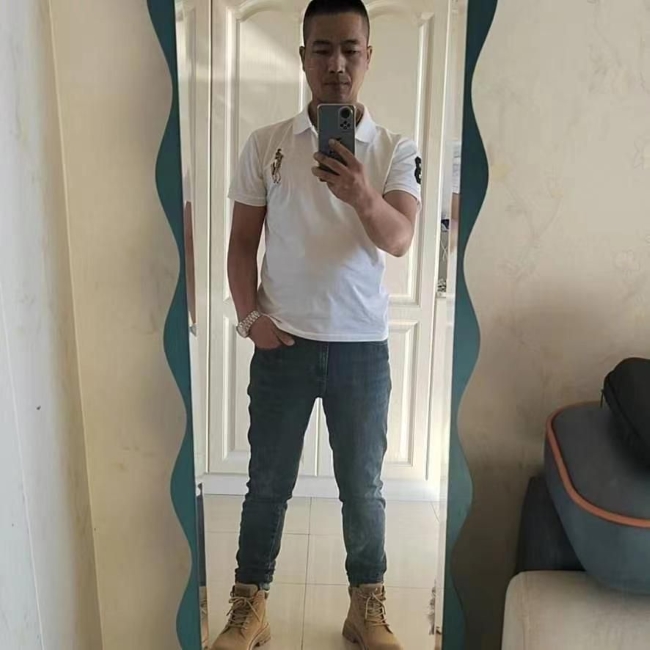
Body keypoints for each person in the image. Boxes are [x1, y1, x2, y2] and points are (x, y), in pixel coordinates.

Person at [211, 1, 421, 648]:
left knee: (363, 488)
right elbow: (241, 244)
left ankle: (366, 608)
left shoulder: (395, 149)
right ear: (303, 57)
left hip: (361, 349)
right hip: (283, 345)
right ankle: (250, 606)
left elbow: (401, 238)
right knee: (267, 484)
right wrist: (249, 318)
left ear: (368, 57)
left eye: (350, 50)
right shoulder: (265, 144)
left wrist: (360, 193)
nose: (337, 64)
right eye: (323, 49)